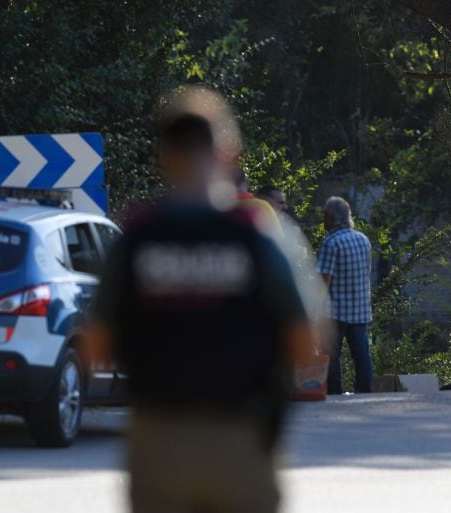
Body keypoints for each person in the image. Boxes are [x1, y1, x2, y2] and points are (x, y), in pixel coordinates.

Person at [88, 87, 312, 513]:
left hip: (158, 438)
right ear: (229, 151)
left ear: (163, 156)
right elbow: (304, 340)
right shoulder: (260, 236)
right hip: (242, 436)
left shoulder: (136, 238)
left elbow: (97, 345)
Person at [316, 196, 373, 394]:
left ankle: (334, 393)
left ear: (331, 218)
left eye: (324, 215)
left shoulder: (331, 243)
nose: (323, 220)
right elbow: (366, 272)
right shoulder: (363, 240)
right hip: (360, 309)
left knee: (331, 354)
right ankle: (364, 391)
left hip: (335, 311)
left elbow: (324, 280)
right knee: (361, 354)